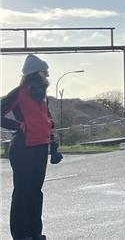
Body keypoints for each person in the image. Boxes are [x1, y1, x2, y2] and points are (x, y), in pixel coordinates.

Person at [1, 55, 60, 240]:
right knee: (23, 193)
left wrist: (54, 145)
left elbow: (47, 121)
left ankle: (35, 233)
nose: (47, 75)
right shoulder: (19, 93)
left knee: (36, 192)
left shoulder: (42, 96)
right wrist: (18, 126)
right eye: (45, 72)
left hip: (40, 148)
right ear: (36, 74)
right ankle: (21, 235)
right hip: (23, 149)